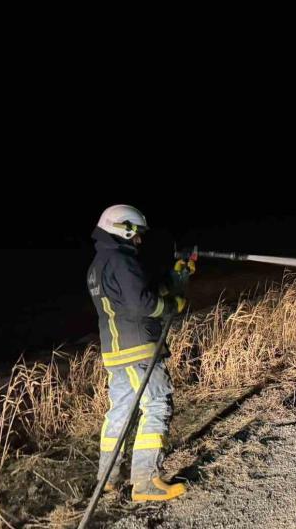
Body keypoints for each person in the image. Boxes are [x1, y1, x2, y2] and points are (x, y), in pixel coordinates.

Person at [86, 204, 191, 501]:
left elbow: (136, 294)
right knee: (157, 405)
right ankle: (146, 482)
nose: (139, 240)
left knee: (120, 412)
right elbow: (142, 304)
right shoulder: (122, 260)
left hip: (115, 352)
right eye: (136, 234)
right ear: (124, 229)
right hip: (138, 349)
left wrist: (175, 280)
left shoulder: (99, 264)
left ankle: (106, 479)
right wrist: (172, 306)